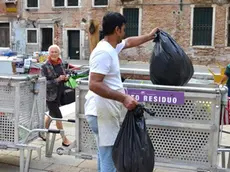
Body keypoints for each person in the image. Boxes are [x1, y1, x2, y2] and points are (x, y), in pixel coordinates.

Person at [84, 11, 159, 172]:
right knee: (110, 157)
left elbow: (128, 42)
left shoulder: (110, 47)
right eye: (123, 29)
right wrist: (123, 98)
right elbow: (94, 84)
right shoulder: (103, 52)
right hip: (100, 112)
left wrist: (149, 36)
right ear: (117, 29)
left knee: (104, 154)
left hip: (103, 112)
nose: (124, 33)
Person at [40, 44, 71, 147]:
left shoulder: (60, 63)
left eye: (55, 52)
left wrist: (66, 77)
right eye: (52, 52)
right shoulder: (44, 66)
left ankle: (42, 132)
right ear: (49, 53)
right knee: (58, 117)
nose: (53, 53)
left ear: (59, 53)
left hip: (59, 94)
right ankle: (64, 139)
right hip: (50, 96)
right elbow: (44, 83)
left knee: (51, 114)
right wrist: (59, 79)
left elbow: (64, 73)